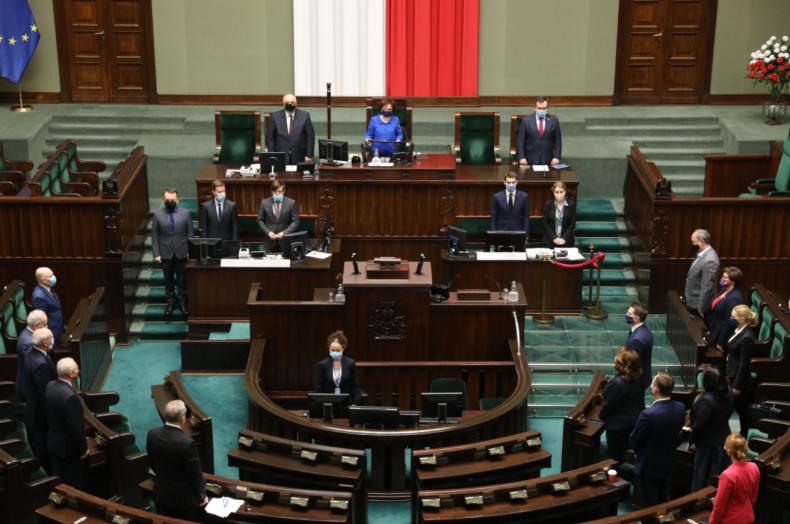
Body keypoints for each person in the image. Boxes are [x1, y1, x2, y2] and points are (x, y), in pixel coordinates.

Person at [629, 373, 686, 508]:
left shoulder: (648, 415)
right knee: (664, 500)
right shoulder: (680, 407)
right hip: (667, 461)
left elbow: (634, 440)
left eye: (652, 384)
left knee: (650, 505)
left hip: (649, 466)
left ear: (655, 390)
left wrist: (638, 451)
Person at [146, 400, 207, 520]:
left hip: (162, 495)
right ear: (183, 419)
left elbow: (153, 464)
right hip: (184, 501)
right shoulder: (187, 443)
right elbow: (194, 474)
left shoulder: (152, 434)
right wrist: (201, 496)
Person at [688, 368, 735, 491]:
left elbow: (698, 425)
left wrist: (690, 440)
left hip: (708, 445)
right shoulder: (729, 392)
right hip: (724, 438)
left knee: (703, 477)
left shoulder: (707, 402)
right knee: (719, 476)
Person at [45, 358, 88, 489]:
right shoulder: (70, 397)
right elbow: (76, 427)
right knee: (73, 486)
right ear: (71, 374)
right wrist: (83, 449)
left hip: (54, 444)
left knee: (60, 481)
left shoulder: (50, 385)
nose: (78, 370)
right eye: (76, 369)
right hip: (68, 450)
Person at [152, 188, 194, 317]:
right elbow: (155, 236)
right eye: (168, 200)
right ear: (164, 200)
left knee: (182, 279)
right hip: (165, 252)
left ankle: (182, 303)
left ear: (177, 200)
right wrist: (156, 253)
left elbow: (190, 234)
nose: (170, 202)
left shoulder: (185, 213)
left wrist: (190, 251)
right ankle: (170, 303)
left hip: (182, 252)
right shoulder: (157, 214)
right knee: (168, 279)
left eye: (173, 200)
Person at [599, 347, 643, 467]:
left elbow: (610, 405)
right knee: (624, 452)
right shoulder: (635, 378)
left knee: (615, 458)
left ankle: (617, 481)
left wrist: (601, 416)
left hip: (617, 427)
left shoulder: (617, 384)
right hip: (631, 420)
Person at [24, 328, 58, 474]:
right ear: (45, 342)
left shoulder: (31, 352)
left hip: (32, 403)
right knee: (41, 440)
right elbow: (45, 392)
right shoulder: (41, 364)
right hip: (40, 409)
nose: (53, 340)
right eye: (51, 338)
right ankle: (46, 472)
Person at [708, 434, 760, 524]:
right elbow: (753, 496)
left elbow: (719, 506)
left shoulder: (727, 475)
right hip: (749, 518)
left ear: (728, 452)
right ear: (746, 449)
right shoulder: (754, 467)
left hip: (730, 520)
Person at [726, 304, 758, 437]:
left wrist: (737, 385)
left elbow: (744, 364)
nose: (731, 318)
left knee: (741, 408)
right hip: (733, 373)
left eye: (733, 317)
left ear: (742, 319)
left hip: (739, 379)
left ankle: (744, 433)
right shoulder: (739, 330)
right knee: (737, 407)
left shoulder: (747, 337)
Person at [704, 267, 744, 355]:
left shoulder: (734, 298)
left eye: (725, 278)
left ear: (733, 281)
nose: (722, 279)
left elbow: (729, 322)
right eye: (722, 277)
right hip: (713, 331)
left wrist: (721, 342)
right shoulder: (724, 290)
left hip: (720, 337)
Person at [266, 94, 315, 165]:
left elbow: (310, 137)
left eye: (292, 102)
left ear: (296, 103)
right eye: (287, 103)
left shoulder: (305, 116)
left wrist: (309, 155)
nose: (290, 104)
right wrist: (272, 155)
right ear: (283, 104)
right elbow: (270, 138)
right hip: (281, 154)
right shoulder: (275, 116)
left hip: (299, 154)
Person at [315, 331, 360, 406]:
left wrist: (355, 403)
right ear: (329, 348)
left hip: (346, 403)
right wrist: (319, 404)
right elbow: (319, 387)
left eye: (338, 350)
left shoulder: (350, 363)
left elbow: (354, 385)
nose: (335, 352)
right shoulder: (323, 364)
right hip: (328, 403)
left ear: (343, 348)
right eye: (332, 350)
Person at [516, 97, 562, 167]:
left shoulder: (554, 120)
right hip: (529, 159)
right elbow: (520, 140)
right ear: (534, 107)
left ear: (548, 108)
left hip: (548, 159)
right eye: (539, 108)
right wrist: (521, 157)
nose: (541, 110)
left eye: (544, 108)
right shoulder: (526, 121)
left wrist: (557, 157)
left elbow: (558, 141)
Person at [257, 179, 300, 253]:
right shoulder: (264, 203)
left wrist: (285, 233)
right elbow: (260, 220)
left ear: (284, 191)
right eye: (275, 191)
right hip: (269, 242)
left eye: (279, 191)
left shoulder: (291, 203)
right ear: (271, 191)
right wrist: (268, 232)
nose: (277, 193)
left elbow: (296, 221)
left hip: (284, 240)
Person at [685, 229, 720, 317]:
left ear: (701, 242)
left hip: (699, 305)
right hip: (693, 301)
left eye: (693, 242)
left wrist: (701, 308)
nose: (692, 244)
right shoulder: (701, 253)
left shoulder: (709, 260)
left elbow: (707, 287)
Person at [625, 302, 653, 409]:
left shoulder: (637, 339)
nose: (626, 314)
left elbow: (632, 364)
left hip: (636, 382)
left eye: (629, 313)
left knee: (636, 407)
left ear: (636, 318)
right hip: (642, 377)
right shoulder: (645, 330)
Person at [15, 310, 47, 396]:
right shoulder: (28, 343)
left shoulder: (27, 332)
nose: (47, 326)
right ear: (36, 325)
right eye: (44, 324)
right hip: (31, 389)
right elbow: (33, 367)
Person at [32, 267, 64, 345]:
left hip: (58, 328)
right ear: (43, 280)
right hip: (52, 333)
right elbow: (41, 321)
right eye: (50, 276)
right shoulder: (39, 297)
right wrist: (49, 340)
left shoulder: (47, 288)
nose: (53, 277)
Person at [542, 181, 576, 248]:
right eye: (557, 192)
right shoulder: (548, 204)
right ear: (553, 192)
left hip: (566, 240)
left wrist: (564, 238)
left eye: (561, 192)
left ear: (565, 191)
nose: (559, 194)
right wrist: (554, 238)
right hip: (550, 239)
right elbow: (545, 222)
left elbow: (572, 223)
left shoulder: (571, 204)